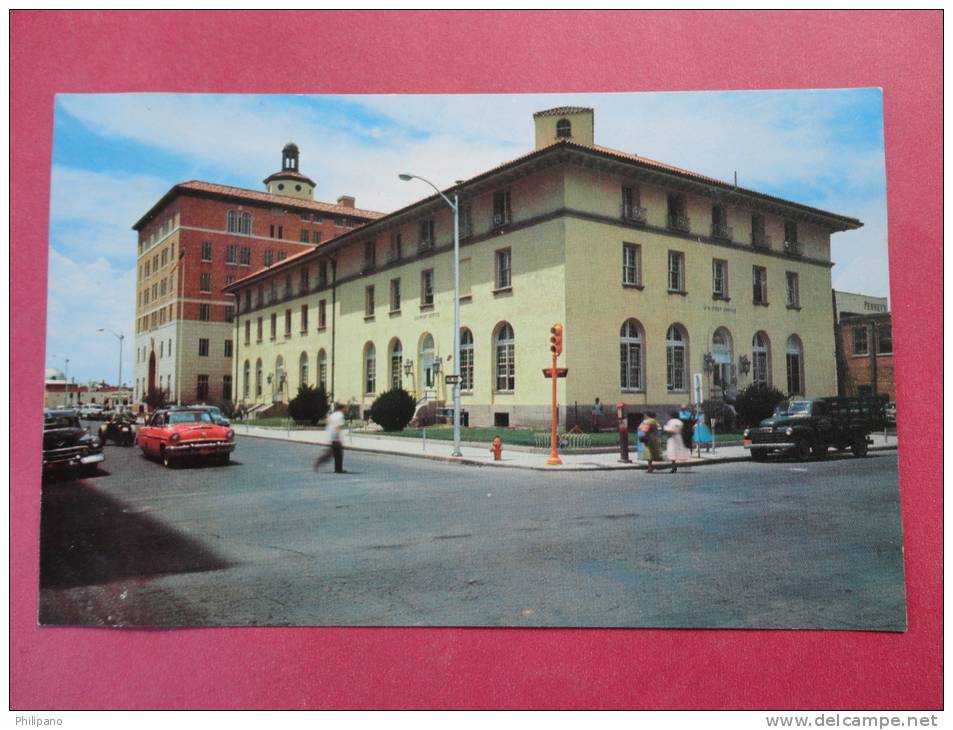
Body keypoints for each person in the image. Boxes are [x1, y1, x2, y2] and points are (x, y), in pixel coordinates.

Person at [314, 403, 347, 473]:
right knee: (337, 454)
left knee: (332, 454)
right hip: (335, 437)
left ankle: (320, 461)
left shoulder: (334, 414)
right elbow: (338, 427)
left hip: (331, 435)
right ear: (342, 408)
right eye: (345, 408)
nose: (346, 409)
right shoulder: (340, 415)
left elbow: (328, 420)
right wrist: (339, 439)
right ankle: (338, 469)